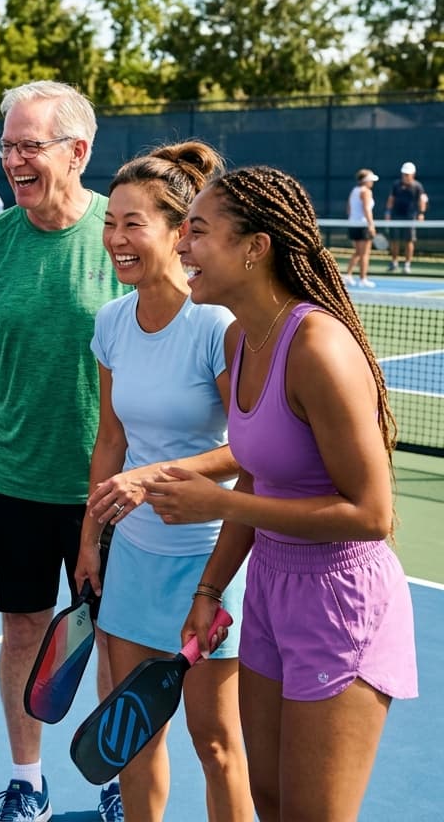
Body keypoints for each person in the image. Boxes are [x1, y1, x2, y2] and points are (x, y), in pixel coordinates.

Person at [143, 165, 418, 821]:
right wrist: (210, 590)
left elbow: (372, 515)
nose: (180, 246)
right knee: (267, 802)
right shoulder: (240, 339)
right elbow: (259, 472)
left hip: (340, 600)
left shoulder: (319, 346)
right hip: (268, 589)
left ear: (253, 247)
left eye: (198, 231)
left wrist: (221, 505)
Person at [0, 80, 127, 822]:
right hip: (15, 484)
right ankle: (29, 781)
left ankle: (122, 780)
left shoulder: (123, 237)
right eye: (7, 145)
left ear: (77, 152)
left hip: (113, 489)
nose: (14, 159)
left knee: (117, 645)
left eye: (30, 145)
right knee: (25, 631)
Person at [75, 141, 252, 822]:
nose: (115, 238)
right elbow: (110, 441)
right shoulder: (112, 322)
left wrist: (153, 477)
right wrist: (90, 538)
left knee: (215, 742)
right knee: (133, 739)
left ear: (180, 233)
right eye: (110, 222)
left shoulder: (217, 326)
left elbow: (248, 449)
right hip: (134, 563)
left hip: (211, 561)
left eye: (133, 224)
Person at [385, 160, 428, 273]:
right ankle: (394, 262)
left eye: (407, 174)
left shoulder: (418, 186)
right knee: (394, 240)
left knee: (409, 241)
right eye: (404, 174)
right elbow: (391, 199)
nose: (405, 176)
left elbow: (422, 200)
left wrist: (421, 214)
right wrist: (388, 213)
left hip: (410, 217)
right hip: (396, 216)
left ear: (413, 174)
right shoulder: (396, 184)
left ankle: (407, 264)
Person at [343, 168, 379, 288]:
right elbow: (367, 209)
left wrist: (354, 219)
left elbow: (348, 208)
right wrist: (371, 225)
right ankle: (363, 279)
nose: (372, 183)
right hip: (362, 225)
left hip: (353, 224)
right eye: (371, 180)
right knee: (364, 254)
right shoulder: (366, 191)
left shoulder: (354, 190)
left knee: (358, 252)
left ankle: (348, 275)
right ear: (366, 181)